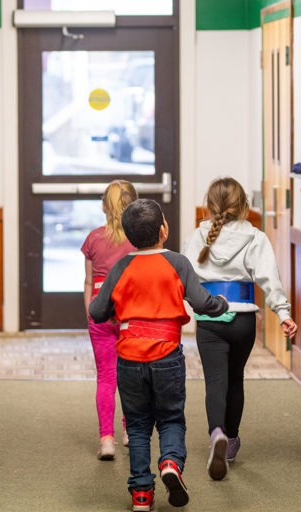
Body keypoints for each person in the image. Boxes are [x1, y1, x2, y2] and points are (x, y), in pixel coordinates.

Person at [90, 199, 229, 511]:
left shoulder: (122, 266)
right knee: (170, 417)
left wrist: (116, 304)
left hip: (129, 356)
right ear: (163, 229)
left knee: (138, 425)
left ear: (128, 235)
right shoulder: (177, 263)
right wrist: (222, 303)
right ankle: (170, 463)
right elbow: (203, 303)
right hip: (166, 355)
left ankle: (141, 493)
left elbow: (97, 311)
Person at [182, 177, 298, 481]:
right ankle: (231, 441)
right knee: (235, 379)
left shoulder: (199, 236)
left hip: (209, 319)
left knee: (215, 381)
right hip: (244, 320)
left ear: (209, 206)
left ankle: (216, 432)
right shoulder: (256, 237)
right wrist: (283, 313)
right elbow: (269, 279)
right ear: (244, 206)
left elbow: (183, 278)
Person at [81, 180, 138, 461]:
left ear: (104, 206)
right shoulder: (139, 240)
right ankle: (130, 431)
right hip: (131, 311)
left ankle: (106, 440)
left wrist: (90, 313)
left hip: (100, 310)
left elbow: (89, 282)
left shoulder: (93, 239)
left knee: (106, 376)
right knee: (131, 375)